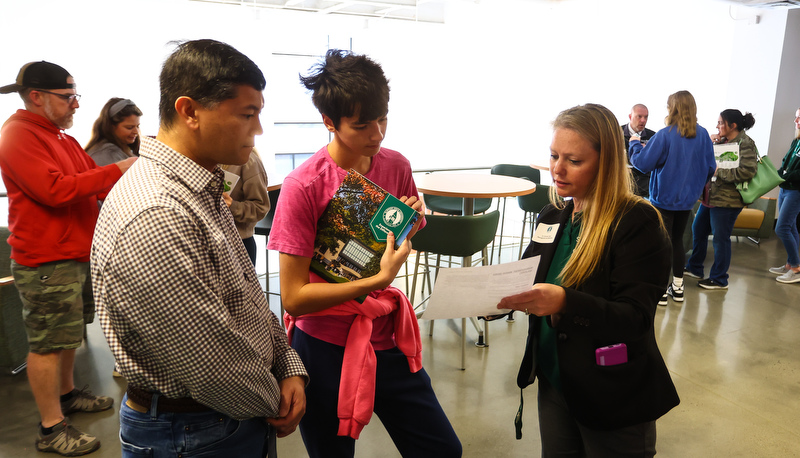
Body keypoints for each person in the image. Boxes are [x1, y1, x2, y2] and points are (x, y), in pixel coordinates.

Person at [91, 39, 308, 457]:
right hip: (193, 430)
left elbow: (247, 297)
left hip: (218, 420)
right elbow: (213, 365)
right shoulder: (157, 213)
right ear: (189, 111)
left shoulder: (200, 188)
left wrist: (289, 366)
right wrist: (276, 399)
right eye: (248, 114)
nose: (257, 129)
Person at [268, 49, 461, 458]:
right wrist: (377, 281)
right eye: (361, 125)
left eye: (383, 118)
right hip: (324, 346)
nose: (377, 134)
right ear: (329, 123)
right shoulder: (304, 186)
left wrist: (412, 221)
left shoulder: (395, 164)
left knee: (442, 449)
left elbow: (404, 233)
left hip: (386, 336)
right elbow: (294, 298)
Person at [497, 103, 679, 457]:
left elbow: (634, 317)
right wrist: (494, 301)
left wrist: (565, 302)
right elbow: (525, 275)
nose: (557, 169)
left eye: (574, 161)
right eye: (553, 156)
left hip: (611, 391)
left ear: (606, 162)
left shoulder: (636, 223)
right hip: (555, 380)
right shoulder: (553, 215)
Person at [0, 61, 136, 456]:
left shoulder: (60, 137)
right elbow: (56, 190)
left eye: (76, 96)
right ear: (37, 97)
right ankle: (51, 427)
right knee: (46, 342)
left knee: (66, 338)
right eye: (68, 97)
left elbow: (87, 184)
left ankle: (67, 395)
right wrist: (118, 169)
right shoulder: (18, 136)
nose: (76, 104)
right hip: (46, 260)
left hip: (74, 253)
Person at [630, 90, 716, 305]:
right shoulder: (703, 134)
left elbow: (642, 164)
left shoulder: (665, 134)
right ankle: (677, 288)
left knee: (660, 244)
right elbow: (710, 168)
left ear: (673, 108)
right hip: (687, 201)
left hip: (663, 200)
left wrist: (634, 143)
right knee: (677, 241)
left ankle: (659, 291)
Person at [685, 109, 758, 290]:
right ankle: (695, 268)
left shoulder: (745, 143)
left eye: (720, 122)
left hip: (727, 201)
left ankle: (719, 279)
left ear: (732, 125)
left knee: (720, 238)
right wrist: (711, 144)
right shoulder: (723, 141)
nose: (717, 126)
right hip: (711, 197)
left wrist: (719, 172)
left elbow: (748, 171)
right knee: (698, 229)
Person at [221, 147, 270, 266]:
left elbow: (260, 207)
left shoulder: (248, 161)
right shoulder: (201, 157)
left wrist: (232, 206)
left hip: (239, 244)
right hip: (208, 245)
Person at [771, 107, 800, 284]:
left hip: (796, 191)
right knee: (791, 228)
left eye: (799, 118)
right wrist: (776, 175)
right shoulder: (796, 141)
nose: (796, 121)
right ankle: (790, 264)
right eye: (796, 118)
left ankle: (796, 268)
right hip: (785, 189)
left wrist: (782, 176)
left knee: (781, 228)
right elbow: (786, 165)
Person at [84, 97, 143, 166]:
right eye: (129, 127)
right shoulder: (104, 155)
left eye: (137, 126)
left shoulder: (124, 149)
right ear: (111, 126)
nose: (136, 131)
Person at [622, 103, 656, 197]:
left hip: (645, 185)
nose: (643, 120)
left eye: (646, 117)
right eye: (639, 116)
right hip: (622, 180)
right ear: (630, 116)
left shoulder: (653, 137)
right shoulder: (616, 133)